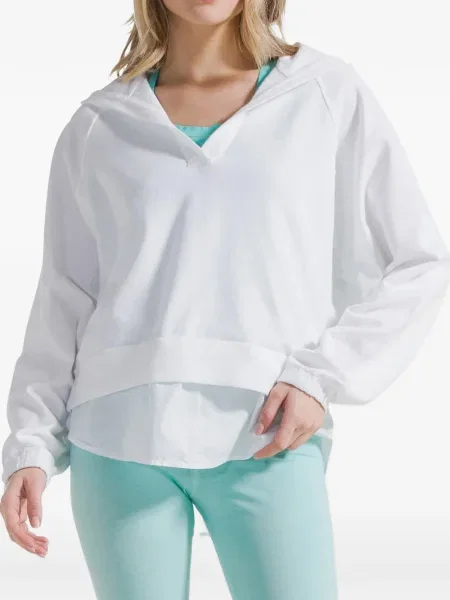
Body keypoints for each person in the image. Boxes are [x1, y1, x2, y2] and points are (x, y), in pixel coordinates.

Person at [1, 1, 450, 598]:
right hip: (115, 437)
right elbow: (65, 295)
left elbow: (419, 260)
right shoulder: (99, 126)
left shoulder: (324, 93)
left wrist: (322, 376)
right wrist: (31, 443)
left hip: (266, 430)